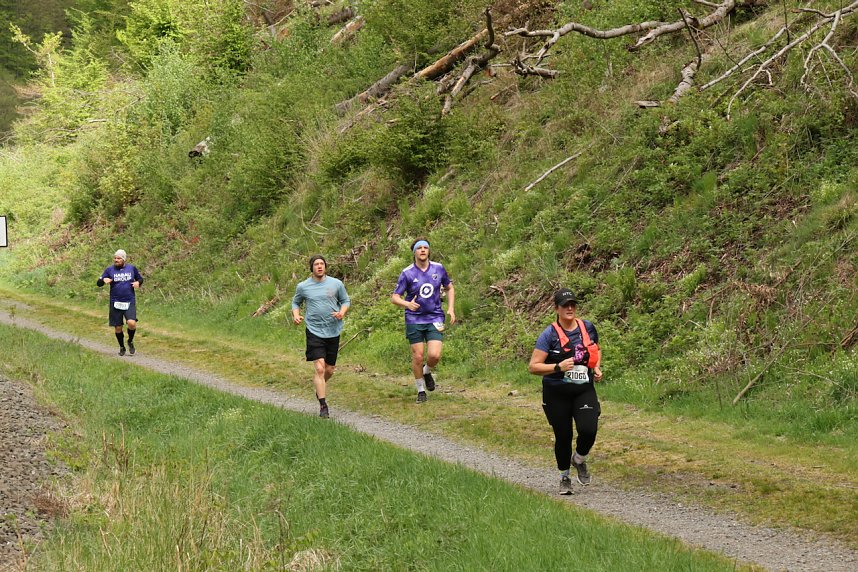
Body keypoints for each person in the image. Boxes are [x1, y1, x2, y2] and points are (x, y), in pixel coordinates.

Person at [528, 288, 603, 495]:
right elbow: (533, 366)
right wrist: (558, 367)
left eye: (572, 304)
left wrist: (596, 367)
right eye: (565, 305)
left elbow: (595, 350)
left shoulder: (587, 327)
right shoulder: (549, 334)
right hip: (556, 393)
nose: (569, 308)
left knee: (589, 430)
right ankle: (564, 477)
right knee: (563, 436)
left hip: (583, 390)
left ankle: (578, 459)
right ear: (556, 309)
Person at [391, 239, 456, 404]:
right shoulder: (407, 273)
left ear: (429, 251)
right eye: (419, 248)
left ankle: (427, 371)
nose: (422, 250)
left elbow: (449, 287)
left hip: (434, 316)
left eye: (425, 248)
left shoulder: (438, 268)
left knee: (434, 355)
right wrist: (407, 304)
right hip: (414, 319)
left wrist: (451, 308)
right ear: (414, 252)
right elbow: (395, 297)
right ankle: (421, 390)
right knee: (418, 356)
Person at [292, 255, 351, 418]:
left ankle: (320, 387)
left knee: (329, 370)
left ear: (325, 267)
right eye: (316, 264)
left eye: (322, 264)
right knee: (319, 367)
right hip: (314, 330)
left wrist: (341, 312)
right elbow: (296, 303)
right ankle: (323, 405)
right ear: (311, 268)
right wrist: (296, 315)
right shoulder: (303, 286)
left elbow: (346, 301)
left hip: (333, 330)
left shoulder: (336, 284)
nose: (319, 267)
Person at [97, 249, 143, 356]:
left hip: (129, 301)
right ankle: (122, 347)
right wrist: (103, 281)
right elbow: (98, 283)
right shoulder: (109, 270)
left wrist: (138, 283)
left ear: (124, 259)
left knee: (131, 323)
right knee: (118, 327)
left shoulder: (131, 268)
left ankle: (130, 341)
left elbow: (140, 279)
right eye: (115, 258)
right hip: (115, 302)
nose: (116, 260)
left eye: (118, 258)